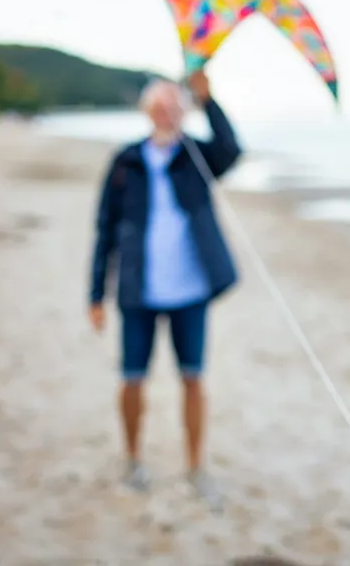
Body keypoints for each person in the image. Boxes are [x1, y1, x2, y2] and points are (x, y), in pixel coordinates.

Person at [88, 70, 241, 507]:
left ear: (184, 111)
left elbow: (232, 149)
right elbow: (104, 230)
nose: (168, 112)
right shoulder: (126, 160)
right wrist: (96, 295)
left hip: (190, 291)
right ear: (146, 111)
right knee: (132, 378)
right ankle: (132, 459)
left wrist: (209, 98)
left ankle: (195, 466)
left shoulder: (196, 155)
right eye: (160, 106)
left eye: (176, 106)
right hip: (137, 291)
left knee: (193, 378)